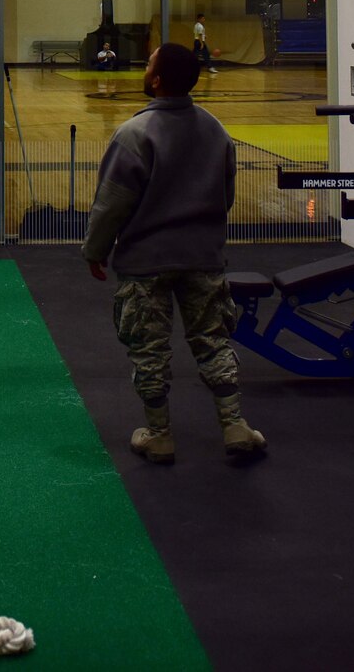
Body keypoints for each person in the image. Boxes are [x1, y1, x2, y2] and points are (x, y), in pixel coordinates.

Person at [82, 42, 266, 463]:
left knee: (149, 349)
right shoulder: (216, 130)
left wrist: (95, 250)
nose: (145, 67)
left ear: (158, 80)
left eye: (149, 63)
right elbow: (226, 195)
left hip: (146, 263)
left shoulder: (133, 134)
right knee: (213, 340)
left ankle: (159, 433)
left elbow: (111, 203)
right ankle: (235, 425)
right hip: (203, 257)